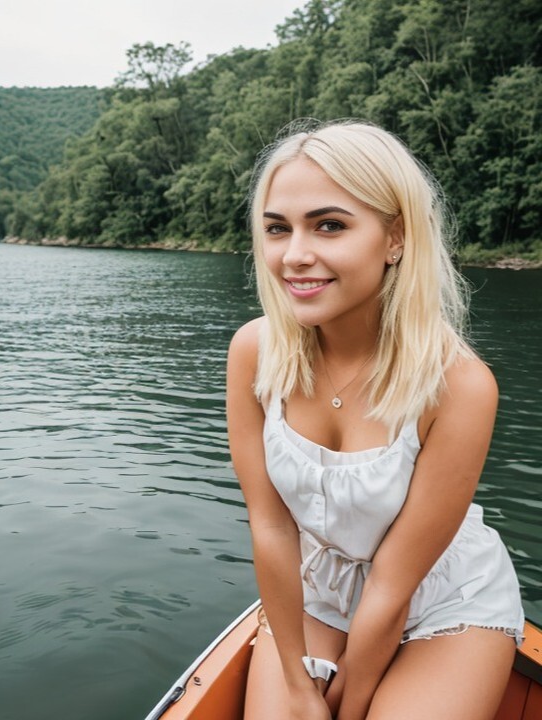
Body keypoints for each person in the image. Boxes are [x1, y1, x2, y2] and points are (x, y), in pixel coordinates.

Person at [226, 120, 525, 720]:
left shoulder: (459, 387)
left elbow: (393, 581)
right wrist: (297, 683)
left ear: (395, 237)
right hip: (320, 589)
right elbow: (272, 526)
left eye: (329, 225)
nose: (296, 255)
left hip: (442, 598)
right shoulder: (254, 351)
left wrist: (347, 702)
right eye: (278, 229)